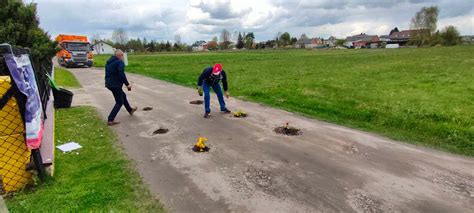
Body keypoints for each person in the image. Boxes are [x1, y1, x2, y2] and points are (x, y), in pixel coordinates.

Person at [105, 49, 137, 126]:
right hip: (115, 85)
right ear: (119, 55)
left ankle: (130, 110)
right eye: (122, 55)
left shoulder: (109, 62)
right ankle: (110, 120)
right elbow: (121, 73)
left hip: (109, 84)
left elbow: (113, 73)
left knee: (123, 95)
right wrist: (127, 84)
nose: (123, 57)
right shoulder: (119, 62)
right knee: (119, 102)